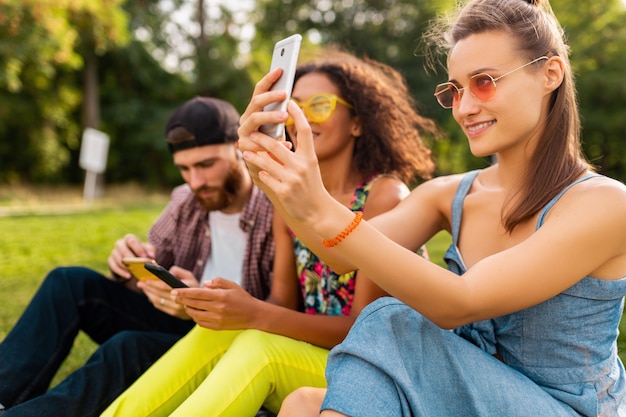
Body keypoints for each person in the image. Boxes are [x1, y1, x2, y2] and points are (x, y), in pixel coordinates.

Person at [238, 0, 626, 415]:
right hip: (462, 396)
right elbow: (337, 254)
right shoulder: (449, 194)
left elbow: (460, 302)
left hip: (562, 409)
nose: (464, 107)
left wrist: (321, 205)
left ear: (550, 74)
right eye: (455, 90)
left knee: (391, 321)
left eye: (484, 82)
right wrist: (271, 179)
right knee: (301, 404)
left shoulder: (605, 204)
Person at [101, 48, 437, 417]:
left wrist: (254, 315)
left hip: (377, 371)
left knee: (257, 348)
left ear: (357, 122)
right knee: (217, 333)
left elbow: (361, 331)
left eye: (320, 105)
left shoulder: (383, 196)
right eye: (295, 107)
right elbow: (281, 302)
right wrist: (228, 306)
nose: (304, 118)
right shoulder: (287, 196)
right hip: (317, 357)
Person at [0, 96, 275, 417]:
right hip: (177, 323)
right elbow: (150, 268)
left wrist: (202, 301)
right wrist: (126, 265)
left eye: (205, 165)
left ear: (238, 149)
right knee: (67, 281)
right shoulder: (186, 199)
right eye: (184, 168)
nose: (195, 181)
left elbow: (282, 311)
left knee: (128, 347)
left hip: (233, 344)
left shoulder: (272, 209)